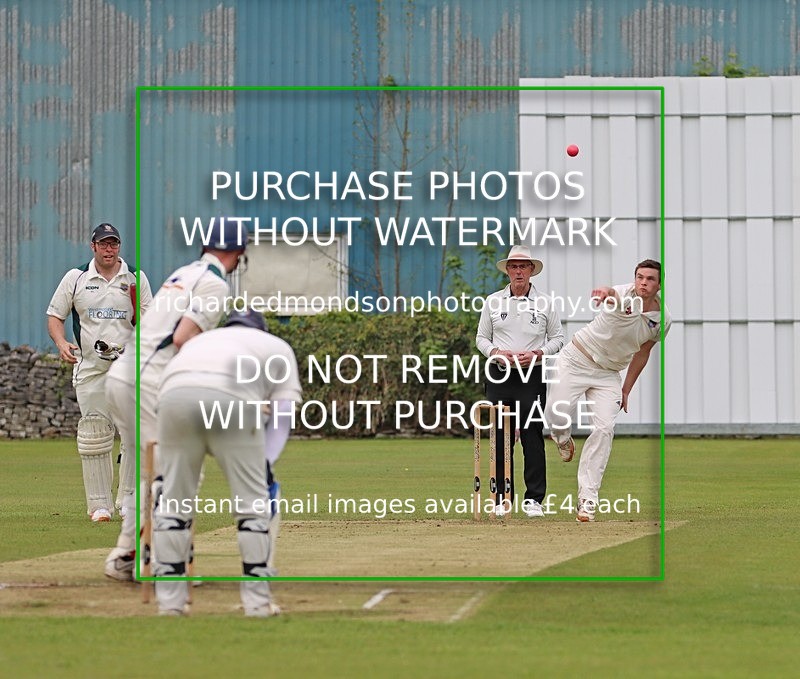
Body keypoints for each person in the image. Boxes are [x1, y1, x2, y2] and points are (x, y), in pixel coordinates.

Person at [104, 218, 248, 581]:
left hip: (122, 376)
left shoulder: (183, 273)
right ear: (238, 253)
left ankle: (127, 555)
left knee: (150, 472)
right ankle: (163, 562)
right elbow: (185, 338)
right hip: (148, 382)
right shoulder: (215, 285)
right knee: (174, 473)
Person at [153, 309, 302, 616]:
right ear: (261, 329)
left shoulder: (201, 341)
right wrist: (264, 464)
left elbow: (166, 392)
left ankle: (170, 605)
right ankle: (257, 604)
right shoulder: (275, 346)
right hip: (233, 399)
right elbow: (283, 413)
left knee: (173, 505)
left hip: (173, 397)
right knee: (252, 508)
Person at [544, 259, 670, 523]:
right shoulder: (622, 294)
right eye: (639, 277)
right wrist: (604, 292)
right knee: (555, 416)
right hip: (576, 358)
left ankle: (587, 499)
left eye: (649, 279)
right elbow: (611, 295)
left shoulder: (663, 320)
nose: (643, 283)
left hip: (608, 374)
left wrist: (626, 389)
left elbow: (642, 353)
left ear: (659, 285)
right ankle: (562, 437)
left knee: (604, 429)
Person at [46, 223, 153, 522]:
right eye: (103, 244)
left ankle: (128, 499)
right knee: (95, 431)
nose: (109, 249)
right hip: (91, 367)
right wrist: (61, 341)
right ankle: (99, 506)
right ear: (92, 246)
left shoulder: (135, 277)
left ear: (119, 246)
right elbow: (55, 315)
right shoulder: (76, 277)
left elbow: (150, 322)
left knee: (134, 433)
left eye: (114, 244)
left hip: (129, 367)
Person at [475, 245, 565, 518]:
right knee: (501, 437)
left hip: (532, 375)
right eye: (513, 267)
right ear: (508, 271)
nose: (518, 272)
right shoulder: (493, 302)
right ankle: (502, 497)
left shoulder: (546, 303)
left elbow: (558, 339)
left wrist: (538, 353)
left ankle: (534, 500)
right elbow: (481, 339)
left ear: (530, 271)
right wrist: (497, 353)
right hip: (500, 374)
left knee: (532, 436)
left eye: (523, 267)